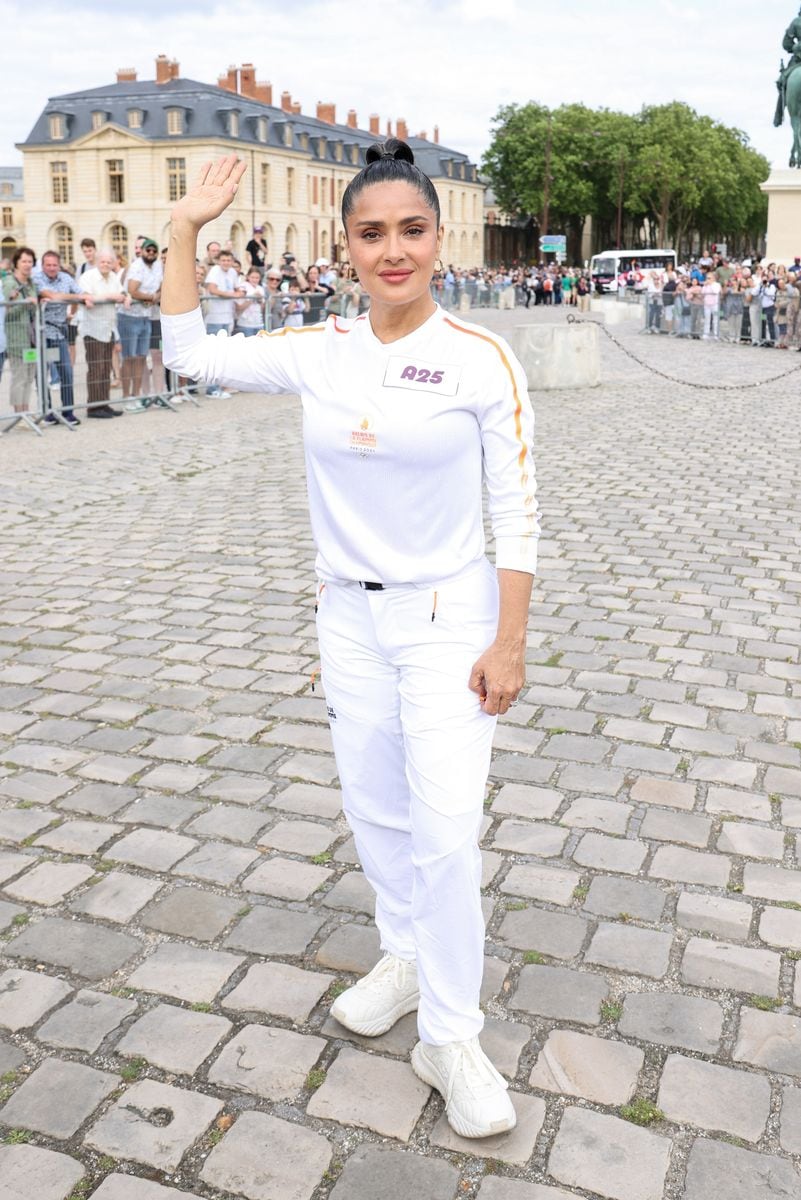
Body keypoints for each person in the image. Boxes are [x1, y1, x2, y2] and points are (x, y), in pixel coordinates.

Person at [162, 143, 538, 1140]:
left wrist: (510, 643)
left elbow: (520, 509)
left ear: (439, 238)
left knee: (448, 830)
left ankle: (450, 1033)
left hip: (448, 621)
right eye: (372, 234)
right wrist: (184, 230)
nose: (393, 250)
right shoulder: (319, 348)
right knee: (377, 811)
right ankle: (403, 953)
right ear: (347, 248)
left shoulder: (479, 357)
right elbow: (188, 353)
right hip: (351, 618)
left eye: (411, 229)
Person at [33, 249, 93, 426]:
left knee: (66, 372)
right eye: (48, 265)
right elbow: (51, 295)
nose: (51, 268)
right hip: (41, 333)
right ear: (43, 266)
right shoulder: (37, 278)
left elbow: (83, 292)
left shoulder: (66, 278)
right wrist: (78, 297)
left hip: (59, 333)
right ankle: (48, 412)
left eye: (54, 265)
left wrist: (84, 298)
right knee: (42, 374)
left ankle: (68, 412)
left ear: (59, 265)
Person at [80, 248, 128, 417]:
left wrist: (124, 297)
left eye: (109, 262)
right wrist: (111, 296)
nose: (106, 264)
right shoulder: (88, 277)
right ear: (97, 262)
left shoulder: (114, 277)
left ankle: (104, 403)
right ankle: (93, 407)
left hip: (108, 329)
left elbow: (121, 293)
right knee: (95, 368)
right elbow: (87, 297)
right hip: (93, 329)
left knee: (106, 368)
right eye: (103, 261)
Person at [122, 238, 162, 400]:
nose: (151, 253)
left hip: (146, 316)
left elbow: (161, 286)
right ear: (142, 251)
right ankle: (126, 396)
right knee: (129, 358)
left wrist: (154, 296)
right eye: (148, 250)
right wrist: (152, 297)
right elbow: (132, 290)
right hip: (130, 316)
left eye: (154, 251)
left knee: (140, 358)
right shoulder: (137, 266)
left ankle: (137, 395)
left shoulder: (158, 266)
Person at [2, 247, 38, 414]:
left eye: (30, 261)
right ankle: (19, 414)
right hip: (17, 337)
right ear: (16, 263)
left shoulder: (31, 283)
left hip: (31, 338)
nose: (27, 265)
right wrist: (25, 302)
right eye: (24, 261)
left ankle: (26, 411)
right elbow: (8, 310)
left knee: (29, 376)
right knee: (19, 377)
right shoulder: (10, 282)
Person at [235, 267, 266, 335]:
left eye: (257, 278)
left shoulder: (260, 288)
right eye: (252, 277)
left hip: (259, 323)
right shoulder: (242, 287)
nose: (255, 280)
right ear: (248, 277)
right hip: (245, 324)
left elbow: (262, 308)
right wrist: (252, 298)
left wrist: (260, 300)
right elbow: (239, 307)